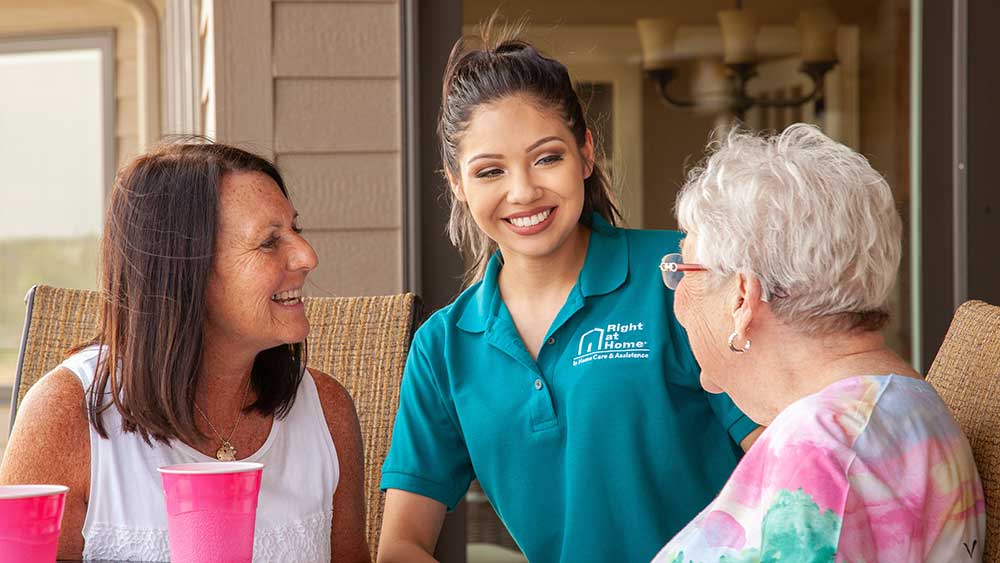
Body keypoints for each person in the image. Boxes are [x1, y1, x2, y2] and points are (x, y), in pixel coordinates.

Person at [376, 25, 760, 563]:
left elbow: (781, 456)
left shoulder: (679, 272)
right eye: (490, 171)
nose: (523, 191)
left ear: (585, 153)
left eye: (546, 157)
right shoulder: (442, 348)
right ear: (458, 185)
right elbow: (401, 544)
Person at [0, 142, 370, 562]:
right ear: (183, 269)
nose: (307, 256)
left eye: (295, 231)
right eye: (269, 243)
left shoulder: (326, 411)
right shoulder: (68, 415)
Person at [651, 124, 986, 562]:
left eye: (684, 269)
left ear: (742, 298)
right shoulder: (909, 403)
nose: (674, 292)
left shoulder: (818, 449)